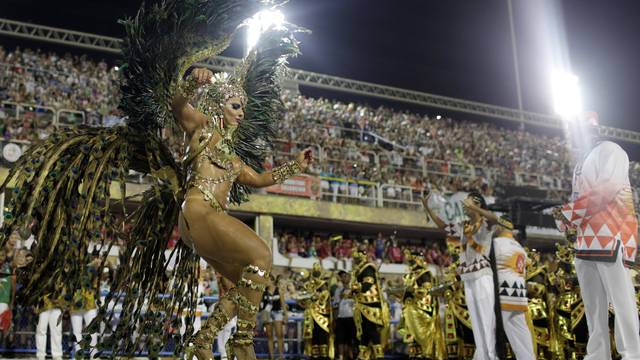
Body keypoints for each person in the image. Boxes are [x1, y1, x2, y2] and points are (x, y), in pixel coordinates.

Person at [0, 2, 308, 359]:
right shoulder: (202, 131)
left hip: (208, 221)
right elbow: (176, 102)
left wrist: (293, 166)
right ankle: (239, 343)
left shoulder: (234, 157)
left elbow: (258, 179)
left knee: (249, 278)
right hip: (198, 212)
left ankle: (204, 340)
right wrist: (193, 79)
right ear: (219, 106)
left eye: (243, 107)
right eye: (236, 105)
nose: (242, 112)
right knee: (260, 253)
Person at [554, 138, 640, 360]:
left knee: (622, 301)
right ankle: (597, 355)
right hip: (585, 240)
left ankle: (632, 354)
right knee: (592, 306)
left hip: (611, 233)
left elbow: (608, 190)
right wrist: (566, 218)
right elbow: (580, 199)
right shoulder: (581, 161)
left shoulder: (611, 150)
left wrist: (570, 213)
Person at [422, 191, 500, 360]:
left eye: (468, 202)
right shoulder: (463, 226)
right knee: (477, 322)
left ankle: (492, 356)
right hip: (468, 278)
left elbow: (496, 219)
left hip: (483, 275)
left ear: (477, 203)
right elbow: (442, 226)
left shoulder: (485, 223)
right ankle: (482, 355)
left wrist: (476, 209)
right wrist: (428, 208)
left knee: (487, 318)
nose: (464, 205)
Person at [493, 217, 535, 360]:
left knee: (489, 335)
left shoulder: (495, 243)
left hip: (502, 295)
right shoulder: (519, 247)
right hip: (519, 296)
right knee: (522, 338)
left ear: (499, 227)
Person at [351, 248, 390, 360]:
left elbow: (367, 285)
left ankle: (379, 356)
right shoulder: (359, 270)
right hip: (362, 305)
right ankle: (363, 356)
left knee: (371, 331)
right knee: (364, 333)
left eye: (356, 258)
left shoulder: (368, 268)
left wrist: (355, 288)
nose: (355, 260)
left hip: (371, 305)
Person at [334, 271, 356, 360]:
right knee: (340, 339)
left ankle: (351, 356)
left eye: (345, 276)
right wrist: (335, 319)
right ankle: (341, 356)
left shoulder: (354, 290)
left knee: (351, 339)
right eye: (342, 277)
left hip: (352, 317)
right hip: (341, 317)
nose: (344, 278)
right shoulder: (338, 290)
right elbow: (335, 305)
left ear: (350, 278)